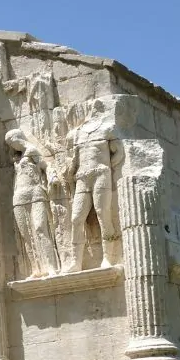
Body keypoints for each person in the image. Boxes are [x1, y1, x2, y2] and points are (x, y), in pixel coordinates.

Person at [66, 101, 122, 270]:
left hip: (100, 173)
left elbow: (118, 152)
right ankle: (75, 261)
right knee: (76, 218)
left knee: (102, 213)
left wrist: (107, 167)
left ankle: (108, 257)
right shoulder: (78, 134)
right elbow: (75, 160)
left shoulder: (108, 128)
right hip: (83, 176)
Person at [6, 129, 60, 278]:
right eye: (9, 143)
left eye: (12, 141)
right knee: (26, 235)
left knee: (40, 228)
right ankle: (36, 268)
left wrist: (52, 177)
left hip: (35, 191)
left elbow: (45, 166)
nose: (12, 145)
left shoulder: (31, 150)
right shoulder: (16, 158)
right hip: (19, 196)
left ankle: (51, 267)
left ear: (18, 138)